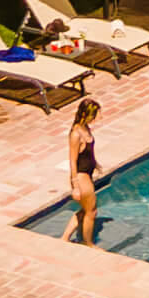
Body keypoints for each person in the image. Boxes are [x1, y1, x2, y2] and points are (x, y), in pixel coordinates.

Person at [61, 96, 102, 245]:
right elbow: (72, 160)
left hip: (87, 173)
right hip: (80, 176)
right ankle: (88, 243)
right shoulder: (75, 134)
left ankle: (65, 238)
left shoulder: (85, 128)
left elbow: (87, 152)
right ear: (87, 114)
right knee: (92, 211)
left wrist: (95, 163)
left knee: (86, 210)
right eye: (96, 114)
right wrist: (75, 186)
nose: (98, 117)